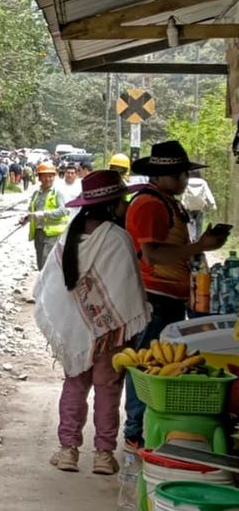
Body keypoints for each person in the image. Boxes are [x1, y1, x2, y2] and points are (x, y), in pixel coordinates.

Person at [33, 171, 149, 476]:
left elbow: (51, 287)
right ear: (112, 205)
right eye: (123, 199)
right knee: (108, 390)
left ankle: (68, 451)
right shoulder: (117, 238)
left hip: (75, 331)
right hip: (110, 334)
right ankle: (102, 455)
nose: (126, 204)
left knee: (74, 386)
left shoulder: (69, 235)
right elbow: (128, 289)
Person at [122, 141, 229, 449]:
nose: (184, 180)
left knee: (155, 363)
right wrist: (200, 247)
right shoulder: (150, 204)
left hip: (168, 295)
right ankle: (135, 430)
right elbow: (151, 254)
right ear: (161, 176)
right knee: (146, 366)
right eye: (180, 174)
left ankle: (141, 428)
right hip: (154, 296)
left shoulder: (167, 202)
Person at [20, 161, 70, 270]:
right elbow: (31, 209)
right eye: (45, 176)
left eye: (51, 176)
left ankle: (47, 285)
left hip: (52, 233)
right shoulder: (36, 194)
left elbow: (63, 210)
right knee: (40, 262)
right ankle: (43, 284)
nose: (48, 179)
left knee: (47, 262)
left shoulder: (57, 193)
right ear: (39, 178)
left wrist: (43, 214)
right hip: (38, 232)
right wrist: (26, 218)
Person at [182, 172, 217, 242]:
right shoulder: (203, 182)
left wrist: (182, 203)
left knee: (190, 222)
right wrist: (213, 204)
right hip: (200, 206)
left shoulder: (187, 181)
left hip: (189, 206)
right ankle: (198, 239)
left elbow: (183, 193)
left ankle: (192, 238)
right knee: (199, 223)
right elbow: (208, 193)